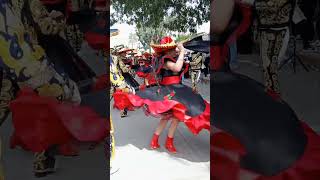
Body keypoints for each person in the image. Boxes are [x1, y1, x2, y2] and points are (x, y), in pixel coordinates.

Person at [211, 0, 320, 179]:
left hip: (277, 31)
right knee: (268, 68)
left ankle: (273, 94)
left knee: (270, 69)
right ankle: (273, 93)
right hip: (264, 35)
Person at [1, 0, 107, 177]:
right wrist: (58, 19)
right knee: (47, 106)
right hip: (29, 58)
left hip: (12, 64)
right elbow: (46, 27)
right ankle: (42, 158)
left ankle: (43, 158)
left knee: (13, 103)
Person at [113, 36, 210, 153]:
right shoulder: (165, 60)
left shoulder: (173, 58)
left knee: (176, 119)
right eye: (173, 48)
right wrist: (183, 52)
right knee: (166, 118)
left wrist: (183, 51)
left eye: (176, 48)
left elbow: (182, 70)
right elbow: (177, 67)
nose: (176, 50)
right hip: (169, 91)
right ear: (167, 50)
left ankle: (169, 142)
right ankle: (155, 140)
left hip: (179, 90)